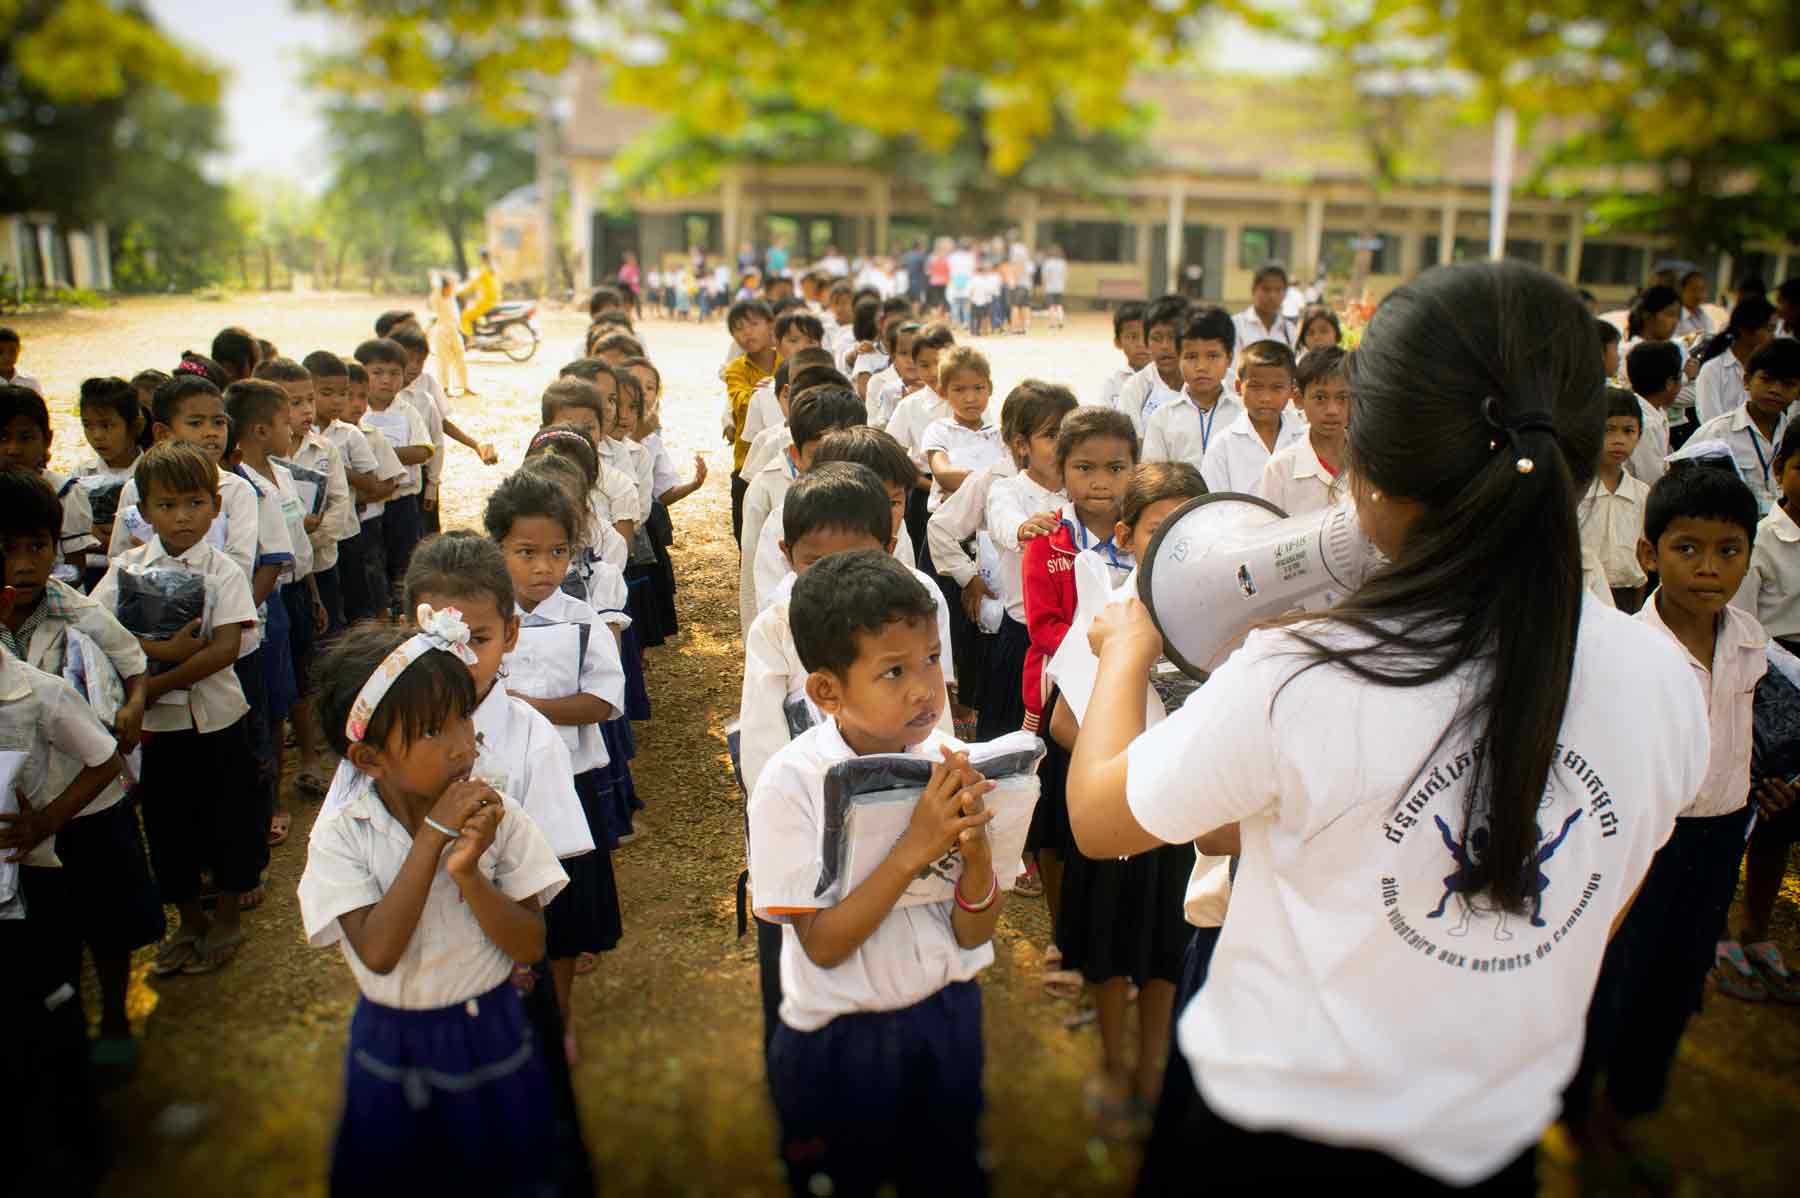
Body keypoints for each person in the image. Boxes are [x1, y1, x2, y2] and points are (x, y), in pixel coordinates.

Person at [1065, 260, 1704, 1192]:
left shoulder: (1304, 671)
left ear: (1368, 464)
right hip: (1487, 1141)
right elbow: (1596, 901)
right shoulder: (1664, 678)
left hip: (1263, 1136)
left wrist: (1125, 650)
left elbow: (1100, 818)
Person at [748, 547, 1001, 1197]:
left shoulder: (949, 762)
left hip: (947, 1017)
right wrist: (915, 848)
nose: (924, 688)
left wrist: (976, 860)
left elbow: (974, 937)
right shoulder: (792, 784)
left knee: (947, 1173)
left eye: (932, 659)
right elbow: (824, 945)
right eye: (893, 671)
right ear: (828, 691)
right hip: (843, 1038)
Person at [298, 619, 575, 1197]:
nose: (460, 743)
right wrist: (433, 837)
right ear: (370, 759)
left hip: (493, 1024)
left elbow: (531, 945)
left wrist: (469, 873)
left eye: (463, 717)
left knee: (505, 1172)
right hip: (393, 1037)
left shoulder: (501, 818)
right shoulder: (344, 835)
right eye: (430, 731)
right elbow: (377, 952)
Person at [1561, 465, 1766, 1172]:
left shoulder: (1748, 640)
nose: (1709, 568)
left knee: (1679, 980)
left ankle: (1630, 1105)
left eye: (1729, 549)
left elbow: (1741, 733)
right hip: (1644, 844)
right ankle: (1579, 1109)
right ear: (1649, 555)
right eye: (1687, 548)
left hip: (1717, 840)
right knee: (1614, 976)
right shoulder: (1624, 654)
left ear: (1749, 554)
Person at [1058, 461, 1209, 1139]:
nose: (1178, 543)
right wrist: (1122, 750)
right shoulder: (1111, 609)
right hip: (1117, 811)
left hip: (1189, 819)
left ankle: (1153, 1069)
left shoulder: (1224, 619)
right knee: (1113, 950)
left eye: (1191, 526)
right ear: (1125, 536)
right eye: (1159, 528)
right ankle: (1113, 1063)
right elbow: (1061, 717)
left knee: (1166, 951)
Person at [0, 467, 156, 1076]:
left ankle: (115, 1015)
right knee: (46, 927)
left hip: (88, 802)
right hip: (21, 816)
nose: (23, 563)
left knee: (107, 918)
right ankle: (60, 1020)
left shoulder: (81, 613)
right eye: (6, 549)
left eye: (36, 546)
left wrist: (135, 702)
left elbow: (134, 663)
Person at [94, 442, 268, 976]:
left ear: (215, 506)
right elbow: (97, 627)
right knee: (170, 827)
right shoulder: (125, 569)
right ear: (143, 512)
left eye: (194, 503)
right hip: (160, 728)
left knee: (229, 819)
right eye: (166, 506)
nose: (181, 517)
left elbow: (225, 648)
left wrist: (153, 680)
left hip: (217, 721)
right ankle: (189, 920)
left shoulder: (224, 571)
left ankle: (229, 915)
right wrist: (159, 659)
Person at [484, 469, 626, 1063]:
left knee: (564, 915)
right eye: (526, 552)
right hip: (501, 793)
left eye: (558, 552)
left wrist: (530, 709)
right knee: (506, 902)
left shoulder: (581, 618)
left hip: (571, 788)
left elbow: (604, 701)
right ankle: (504, 1014)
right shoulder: (483, 623)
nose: (544, 567)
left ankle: (558, 1016)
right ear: (497, 550)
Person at [740, 386, 869, 629]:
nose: (833, 469)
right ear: (796, 456)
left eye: (845, 456)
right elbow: (756, 589)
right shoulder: (778, 521)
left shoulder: (883, 515)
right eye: (818, 457)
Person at [353, 339, 432, 603]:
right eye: (377, 373)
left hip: (403, 500)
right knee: (371, 560)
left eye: (394, 373)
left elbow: (423, 451)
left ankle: (405, 608)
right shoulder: (354, 415)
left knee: (404, 559)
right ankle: (379, 608)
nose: (386, 380)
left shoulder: (407, 411)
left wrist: (379, 455)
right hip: (368, 504)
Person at [1688, 338, 1800, 514]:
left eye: (1788, 384)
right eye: (1767, 380)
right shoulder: (1717, 433)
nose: (1775, 390)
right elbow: (1683, 487)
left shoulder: (1793, 436)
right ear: (1747, 380)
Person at [1, 385, 95, 588]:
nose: (13, 449)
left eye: (26, 438)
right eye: (3, 438)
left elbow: (75, 569)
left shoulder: (64, 493)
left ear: (47, 440)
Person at [1577, 390, 1652, 612]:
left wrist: (1638, 607)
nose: (1619, 440)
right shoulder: (1575, 491)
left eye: (1629, 431)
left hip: (1627, 597)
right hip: (1584, 596)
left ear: (1639, 434)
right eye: (1608, 429)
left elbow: (1642, 558)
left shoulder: (1642, 493)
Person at [1143, 308, 1241, 472]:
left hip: (1230, 497)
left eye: (1212, 356)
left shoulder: (1242, 414)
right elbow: (1152, 476)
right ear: (1179, 358)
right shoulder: (1162, 417)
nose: (1201, 367)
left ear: (1229, 358)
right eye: (1191, 357)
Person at [1199, 340, 1304, 494]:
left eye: (1277, 387)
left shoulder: (1303, 438)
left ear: (1291, 390)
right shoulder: (1223, 446)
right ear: (1238, 387)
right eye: (1256, 387)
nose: (1266, 398)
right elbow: (1214, 507)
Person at [1258, 345, 1348, 516]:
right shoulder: (1280, 469)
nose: (1332, 410)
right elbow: (1266, 535)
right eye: (1320, 398)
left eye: (1342, 398)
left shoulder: (1370, 462)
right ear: (1299, 398)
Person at [724, 300, 779, 544]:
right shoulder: (735, 369)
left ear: (771, 325)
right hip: (747, 466)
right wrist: (768, 394)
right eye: (738, 328)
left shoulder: (789, 364)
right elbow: (741, 402)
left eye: (754, 324)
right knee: (746, 538)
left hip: (783, 464)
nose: (747, 332)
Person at [1693, 296, 1777, 425]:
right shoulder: (1713, 369)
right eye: (1769, 329)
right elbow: (1710, 422)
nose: (1773, 337)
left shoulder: (1768, 370)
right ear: (1745, 330)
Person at [1115, 296, 1192, 434]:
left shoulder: (1220, 382)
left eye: (1173, 337)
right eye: (1156, 338)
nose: (1165, 346)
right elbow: (1130, 445)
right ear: (1146, 342)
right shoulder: (1135, 389)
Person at [1625, 340, 1681, 483]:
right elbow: (1652, 480)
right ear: (1669, 383)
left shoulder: (1657, 411)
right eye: (1680, 378)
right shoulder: (1646, 424)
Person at [1233, 262, 1298, 352]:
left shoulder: (1290, 331)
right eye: (1266, 289)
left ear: (1285, 293)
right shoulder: (1236, 326)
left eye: (1278, 290)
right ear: (1253, 290)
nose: (1272, 296)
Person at [1098, 302, 1151, 410]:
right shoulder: (1113, 383)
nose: (1141, 344)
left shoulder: (1169, 380)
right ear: (1118, 342)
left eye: (1148, 336)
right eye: (1132, 337)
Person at [428, 272, 472, 397]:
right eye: (449, 287)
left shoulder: (451, 296)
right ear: (444, 287)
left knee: (461, 357)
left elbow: (456, 282)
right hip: (442, 331)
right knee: (443, 360)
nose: (451, 289)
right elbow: (436, 283)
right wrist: (438, 280)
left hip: (454, 330)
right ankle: (445, 388)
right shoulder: (436, 297)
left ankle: (465, 386)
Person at [457, 248, 500, 338]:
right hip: (494, 299)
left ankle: (471, 339)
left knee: (465, 317)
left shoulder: (484, 270)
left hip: (487, 301)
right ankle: (481, 332)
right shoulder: (491, 268)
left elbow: (473, 284)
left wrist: (460, 291)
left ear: (481, 258)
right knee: (474, 310)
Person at [1674, 269, 1715, 339]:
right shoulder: (1675, 316)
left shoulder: (1706, 317)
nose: (1698, 295)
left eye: (1702, 290)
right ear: (1682, 290)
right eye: (1693, 289)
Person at [0, 326, 41, 394]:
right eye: (0, 352)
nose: (7, 357)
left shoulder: (30, 382)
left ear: (19, 350)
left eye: (12, 351)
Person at [1041, 245, 1068, 330]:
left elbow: (1045, 276)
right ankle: (1060, 321)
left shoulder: (1047, 263)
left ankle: (1052, 323)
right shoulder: (1063, 263)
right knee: (1059, 305)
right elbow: (1064, 275)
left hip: (1050, 288)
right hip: (1060, 287)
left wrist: (1044, 286)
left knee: (1051, 306)